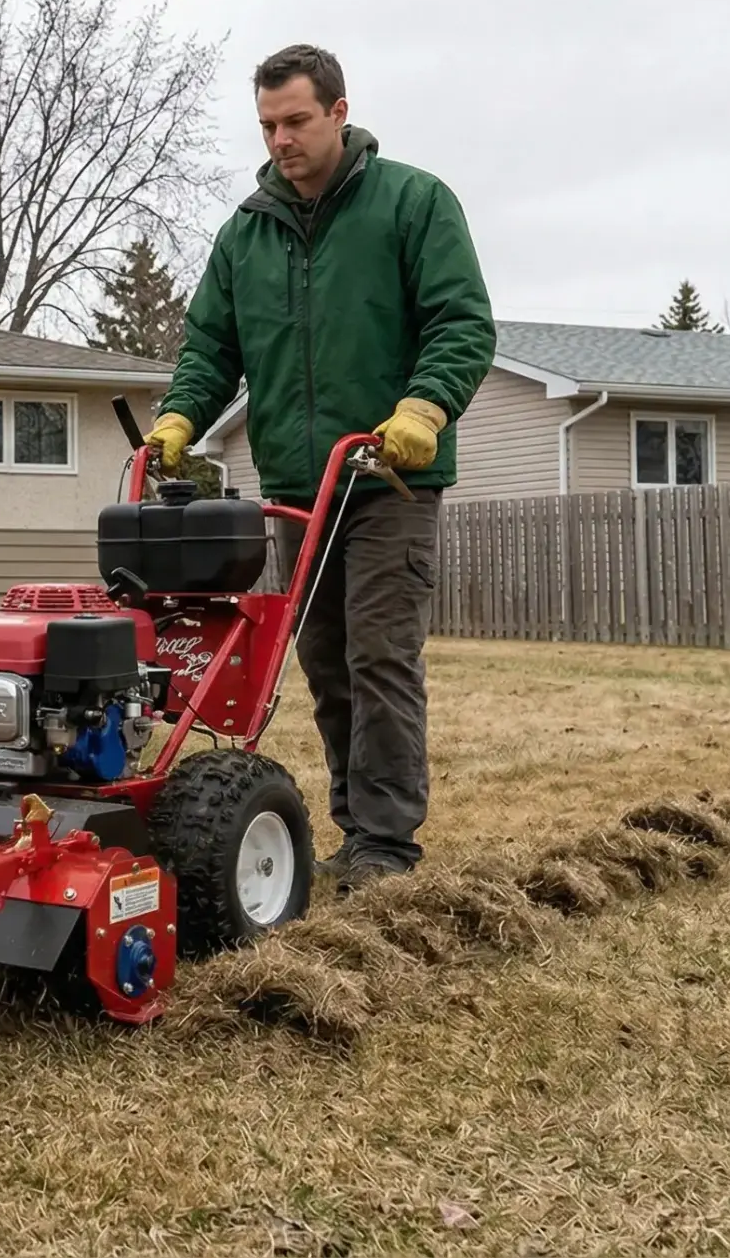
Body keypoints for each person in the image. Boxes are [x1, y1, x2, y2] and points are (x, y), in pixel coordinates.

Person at [143, 44, 496, 891]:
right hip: (299, 491)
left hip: (387, 478)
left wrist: (424, 408)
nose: (280, 140)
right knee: (326, 658)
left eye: (296, 120)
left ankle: (386, 843)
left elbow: (462, 324)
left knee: (379, 654)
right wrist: (182, 413)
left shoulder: (413, 203)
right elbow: (211, 345)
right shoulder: (246, 233)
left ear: (340, 113)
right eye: (267, 125)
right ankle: (355, 827)